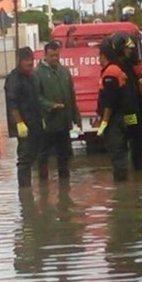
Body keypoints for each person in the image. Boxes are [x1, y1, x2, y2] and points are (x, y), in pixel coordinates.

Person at [35, 41, 81, 181]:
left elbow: (71, 95)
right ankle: (43, 184)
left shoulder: (64, 71)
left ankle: (64, 184)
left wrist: (76, 117)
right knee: (44, 154)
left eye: (57, 55)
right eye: (52, 56)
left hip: (63, 122)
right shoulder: (38, 73)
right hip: (47, 122)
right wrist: (50, 105)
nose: (55, 58)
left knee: (64, 154)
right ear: (45, 55)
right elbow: (36, 97)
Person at [5, 47, 44, 187]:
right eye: (26, 60)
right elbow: (12, 103)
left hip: (36, 123)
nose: (30, 63)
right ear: (19, 61)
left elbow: (38, 99)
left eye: (31, 60)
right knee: (25, 159)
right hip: (23, 126)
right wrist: (20, 123)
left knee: (37, 155)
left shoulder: (33, 77)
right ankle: (25, 193)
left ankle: (38, 188)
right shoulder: (13, 79)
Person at [96, 37, 129, 181]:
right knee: (120, 152)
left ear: (103, 55)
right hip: (120, 117)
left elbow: (109, 100)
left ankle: (120, 190)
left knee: (116, 153)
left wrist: (104, 121)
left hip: (114, 120)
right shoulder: (116, 69)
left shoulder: (110, 72)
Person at [113, 32, 142, 170]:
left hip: (134, 109)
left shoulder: (127, 64)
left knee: (137, 138)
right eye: (127, 48)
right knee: (134, 138)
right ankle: (135, 168)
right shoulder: (118, 67)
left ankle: (137, 167)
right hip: (128, 112)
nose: (130, 50)